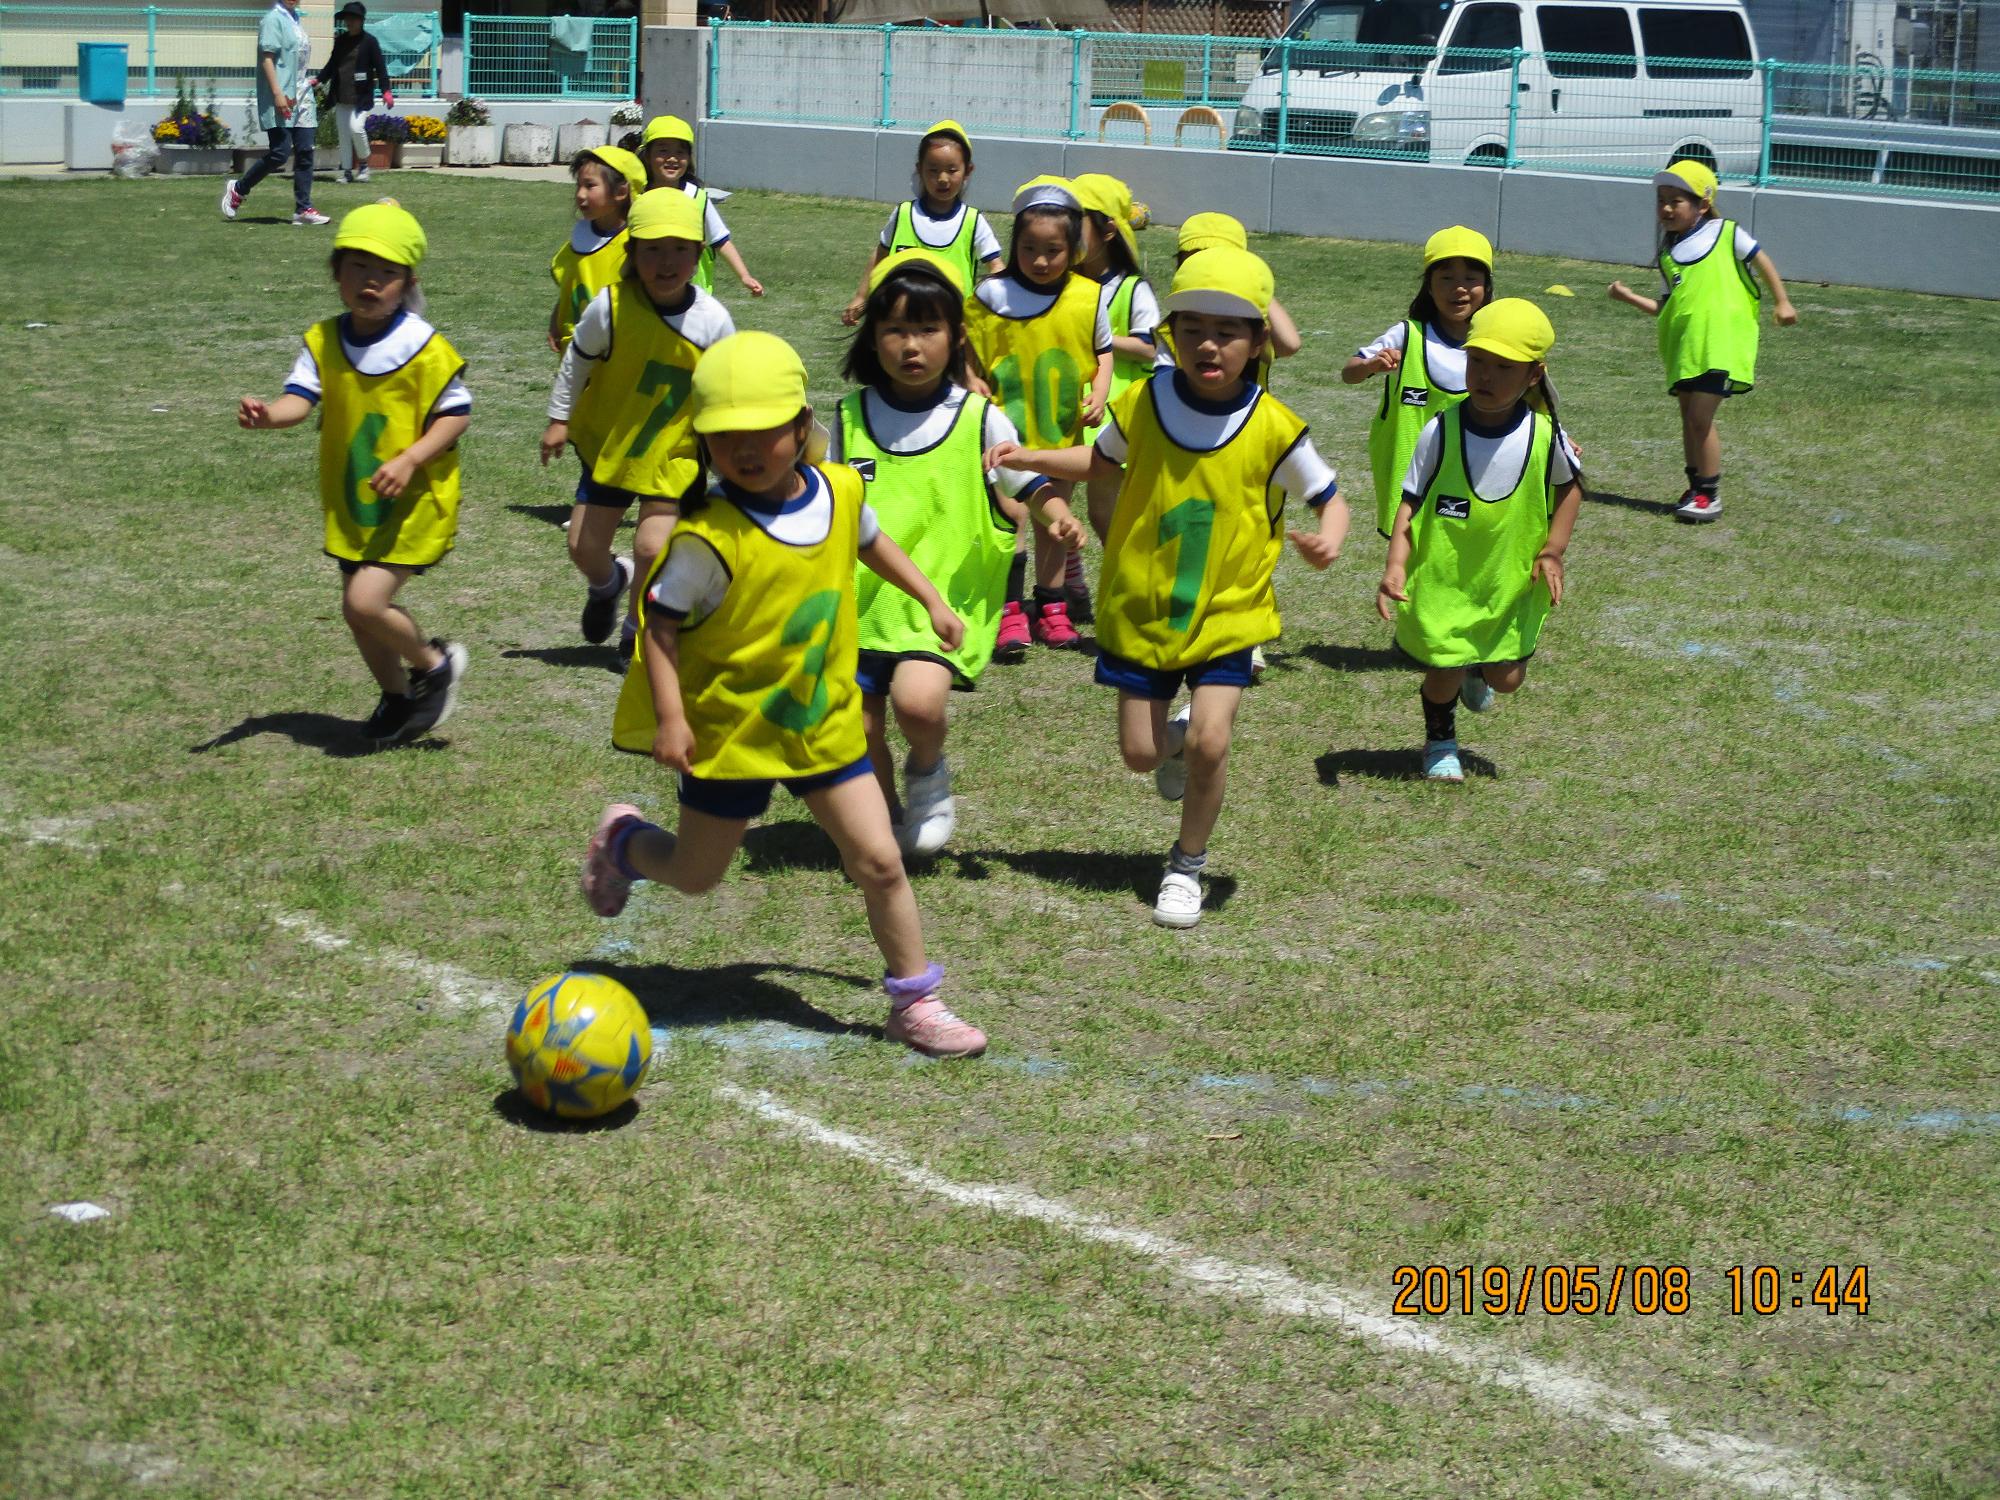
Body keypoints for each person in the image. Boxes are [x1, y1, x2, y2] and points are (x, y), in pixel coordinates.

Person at [587, 331, 989, 1060]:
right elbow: (660, 628)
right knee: (695, 875)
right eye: (724, 437)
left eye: (764, 432)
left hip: (820, 727)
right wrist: (672, 718)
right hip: (730, 734)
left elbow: (872, 543)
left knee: (879, 862)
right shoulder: (705, 540)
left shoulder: (840, 491)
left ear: (803, 426)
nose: (745, 450)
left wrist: (930, 599)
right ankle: (622, 842)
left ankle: (914, 999)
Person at [986, 247, 1350, 928]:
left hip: (1228, 611)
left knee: (1214, 743)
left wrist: (1330, 535)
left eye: (1228, 331)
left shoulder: (1274, 426)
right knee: (1140, 755)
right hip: (1141, 608)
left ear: (1257, 342)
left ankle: (1186, 866)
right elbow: (1100, 461)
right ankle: (1175, 737)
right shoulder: (1147, 398)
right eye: (1192, 329)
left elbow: (1328, 495)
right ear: (1170, 334)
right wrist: (1029, 456)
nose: (1208, 344)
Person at [835, 248, 1084, 854]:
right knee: (858, 728)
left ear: (957, 338)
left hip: (941, 603)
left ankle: (927, 767)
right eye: (895, 329)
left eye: (927, 329)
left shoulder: (978, 419)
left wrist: (1057, 515)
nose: (911, 346)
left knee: (917, 704)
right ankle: (884, 821)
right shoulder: (847, 418)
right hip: (857, 604)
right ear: (872, 337)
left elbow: (1025, 480)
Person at [237, 201, 471, 745]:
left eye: (386, 272)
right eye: (358, 267)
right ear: (336, 273)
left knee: (364, 602)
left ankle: (435, 665)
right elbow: (300, 400)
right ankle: (396, 699)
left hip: (412, 500)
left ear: (407, 282)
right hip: (352, 499)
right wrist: (269, 416)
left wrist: (411, 457)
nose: (371, 281)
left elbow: (455, 415)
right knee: (358, 613)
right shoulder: (322, 340)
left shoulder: (424, 348)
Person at [1376, 299, 1583, 782]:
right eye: (1478, 361)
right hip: (1447, 580)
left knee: (1506, 680)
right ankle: (1440, 740)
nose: (1486, 376)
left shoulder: (1544, 434)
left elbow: (1570, 487)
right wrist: (1395, 565)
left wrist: (1553, 550)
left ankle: (1478, 670)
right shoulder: (1439, 431)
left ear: (1533, 375)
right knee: (1443, 668)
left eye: (1503, 367)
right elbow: (1409, 503)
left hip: (1507, 581)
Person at [542, 189, 734, 653]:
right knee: (582, 549)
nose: (666, 263)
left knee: (652, 546)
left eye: (680, 250)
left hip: (675, 450)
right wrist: (558, 418)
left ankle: (637, 630)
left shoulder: (713, 320)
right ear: (631, 252)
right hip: (612, 442)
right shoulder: (609, 307)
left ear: (698, 255)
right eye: (652, 250)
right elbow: (577, 363)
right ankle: (610, 582)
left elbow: (730, 388)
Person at [962, 176, 1112, 656]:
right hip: (1004, 433)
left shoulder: (1089, 297)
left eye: (1053, 250)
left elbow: (1103, 350)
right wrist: (970, 379)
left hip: (1059, 434)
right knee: (1012, 517)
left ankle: (1052, 607)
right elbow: (963, 343)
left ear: (1074, 248)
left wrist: (1101, 391)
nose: (1041, 260)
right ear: (1014, 245)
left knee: (1056, 521)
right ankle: (1009, 611)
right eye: (1029, 249)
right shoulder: (991, 295)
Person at [1608, 159, 1798, 523]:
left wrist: (1783, 301)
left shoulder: (1727, 234)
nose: (1665, 208)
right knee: (1688, 419)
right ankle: (1695, 487)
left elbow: (1763, 262)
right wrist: (1629, 297)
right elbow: (1666, 308)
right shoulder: (1668, 255)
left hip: (1720, 346)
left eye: (1676, 200)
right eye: (1661, 200)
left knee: (1700, 418)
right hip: (1685, 348)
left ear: (1703, 204)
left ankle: (1709, 495)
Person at [1343, 225, 1493, 541]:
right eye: (1447, 278)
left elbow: (1531, 397)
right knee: (1411, 560)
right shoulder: (1407, 335)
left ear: (1487, 286)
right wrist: (1370, 365)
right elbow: (1349, 371)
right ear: (1429, 286)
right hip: (1410, 478)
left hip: (1471, 474)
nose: (1459, 289)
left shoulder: (1497, 342)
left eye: (1470, 278)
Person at [1069, 172, 1154, 618]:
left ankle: (1132, 589)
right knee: (1055, 506)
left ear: (1106, 230)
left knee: (1111, 517)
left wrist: (1096, 338)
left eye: (1074, 219)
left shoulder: (1132, 288)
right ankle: (1071, 586)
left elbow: (1149, 344)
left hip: (1117, 421)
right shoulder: (1064, 283)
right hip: (1070, 415)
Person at [841, 120, 1003, 326]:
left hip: (952, 328)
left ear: (968, 171)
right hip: (901, 325)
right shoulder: (903, 214)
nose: (942, 178)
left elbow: (996, 267)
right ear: (920, 169)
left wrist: (1000, 304)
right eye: (933, 170)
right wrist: (861, 297)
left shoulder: (973, 221)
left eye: (952, 170)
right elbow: (880, 255)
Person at [219, 0, 326, 226]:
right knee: (280, 152)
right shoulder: (272, 19)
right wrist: (277, 93)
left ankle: (303, 209)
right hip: (281, 93)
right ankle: (239, 189)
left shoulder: (295, 18)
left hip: (301, 92)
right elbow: (267, 58)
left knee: (306, 149)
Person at [637, 115, 765, 299]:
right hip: (647, 297)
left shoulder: (698, 198)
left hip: (693, 299)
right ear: (647, 155)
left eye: (680, 152)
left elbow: (720, 241)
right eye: (663, 150)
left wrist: (744, 276)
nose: (672, 158)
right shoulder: (639, 198)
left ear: (689, 158)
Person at [548, 144, 646, 355]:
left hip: (617, 352)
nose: (580, 194)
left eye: (590, 186)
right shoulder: (579, 236)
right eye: (578, 185)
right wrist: (557, 317)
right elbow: (571, 284)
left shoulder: (635, 244)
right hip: (575, 349)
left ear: (621, 192)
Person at [319, 2, 391, 185]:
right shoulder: (341, 40)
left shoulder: (370, 42)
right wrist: (319, 79)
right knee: (343, 135)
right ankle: (346, 171)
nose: (349, 22)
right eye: (347, 18)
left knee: (356, 128)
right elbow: (332, 64)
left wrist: (386, 91)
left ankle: (364, 165)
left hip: (361, 98)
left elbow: (381, 68)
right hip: (341, 96)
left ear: (361, 21)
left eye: (353, 18)